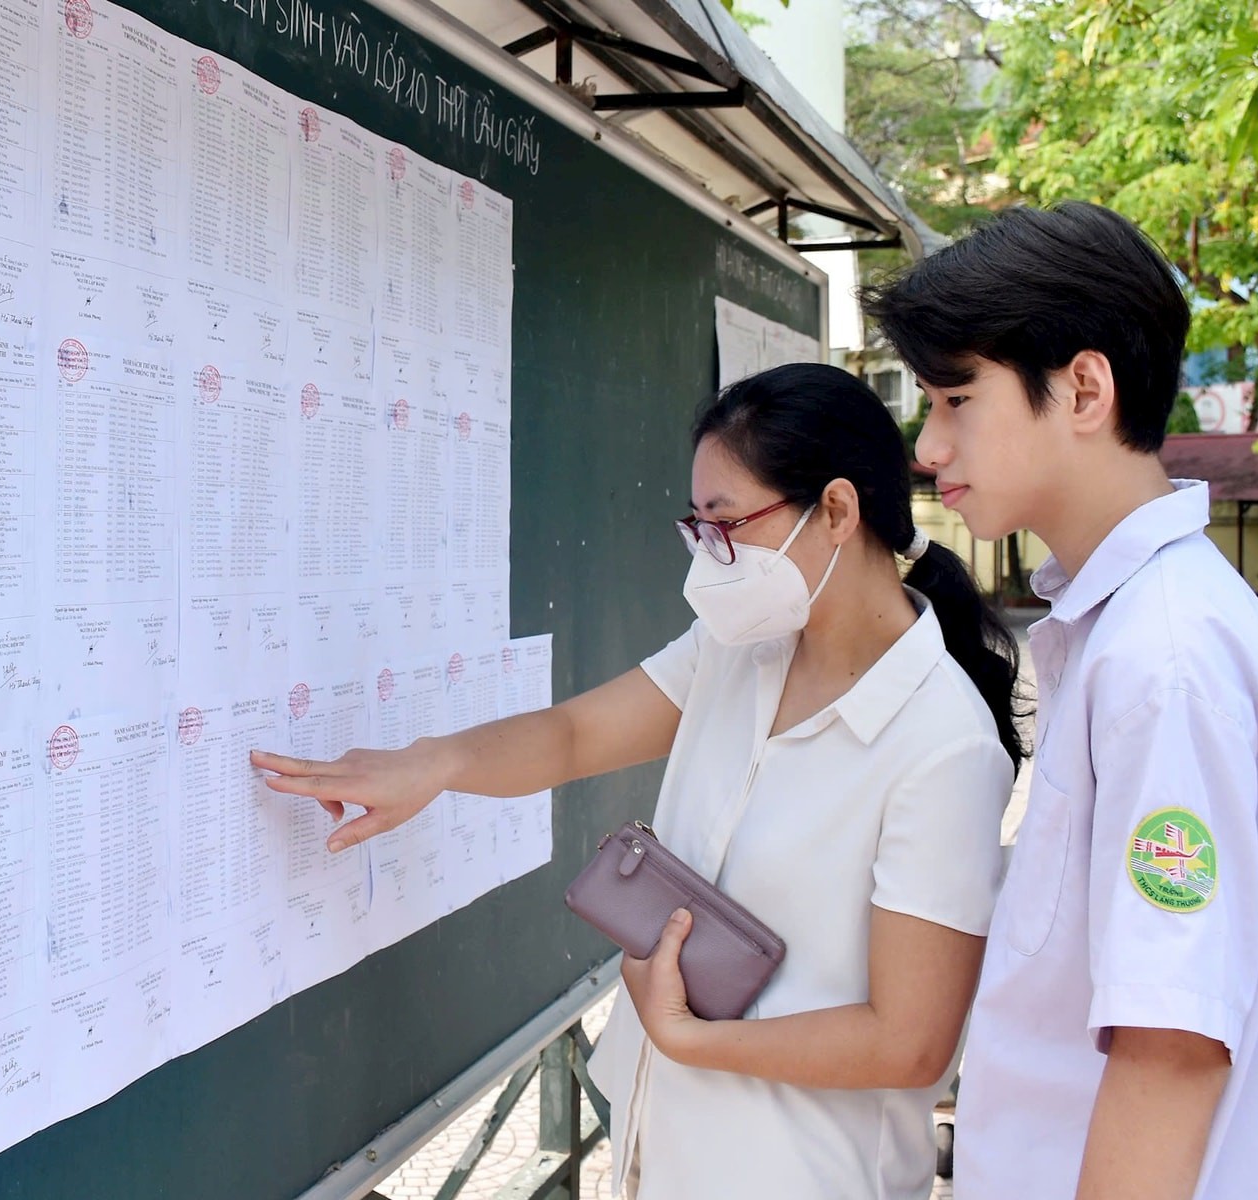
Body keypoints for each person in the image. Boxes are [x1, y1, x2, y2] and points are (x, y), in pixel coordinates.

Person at [253, 362, 1023, 1199]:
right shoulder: (740, 649)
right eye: (697, 530)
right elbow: (574, 733)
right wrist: (435, 763)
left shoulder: (942, 746)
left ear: (836, 510)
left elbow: (909, 1042)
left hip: (808, 1172)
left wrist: (690, 1040)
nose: (709, 561)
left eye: (728, 526)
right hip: (669, 1152)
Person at [864, 201, 1258, 1200]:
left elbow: (1168, 1049)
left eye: (956, 400)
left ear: (1084, 388)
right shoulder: (1132, 628)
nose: (928, 445)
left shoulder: (1160, 662)